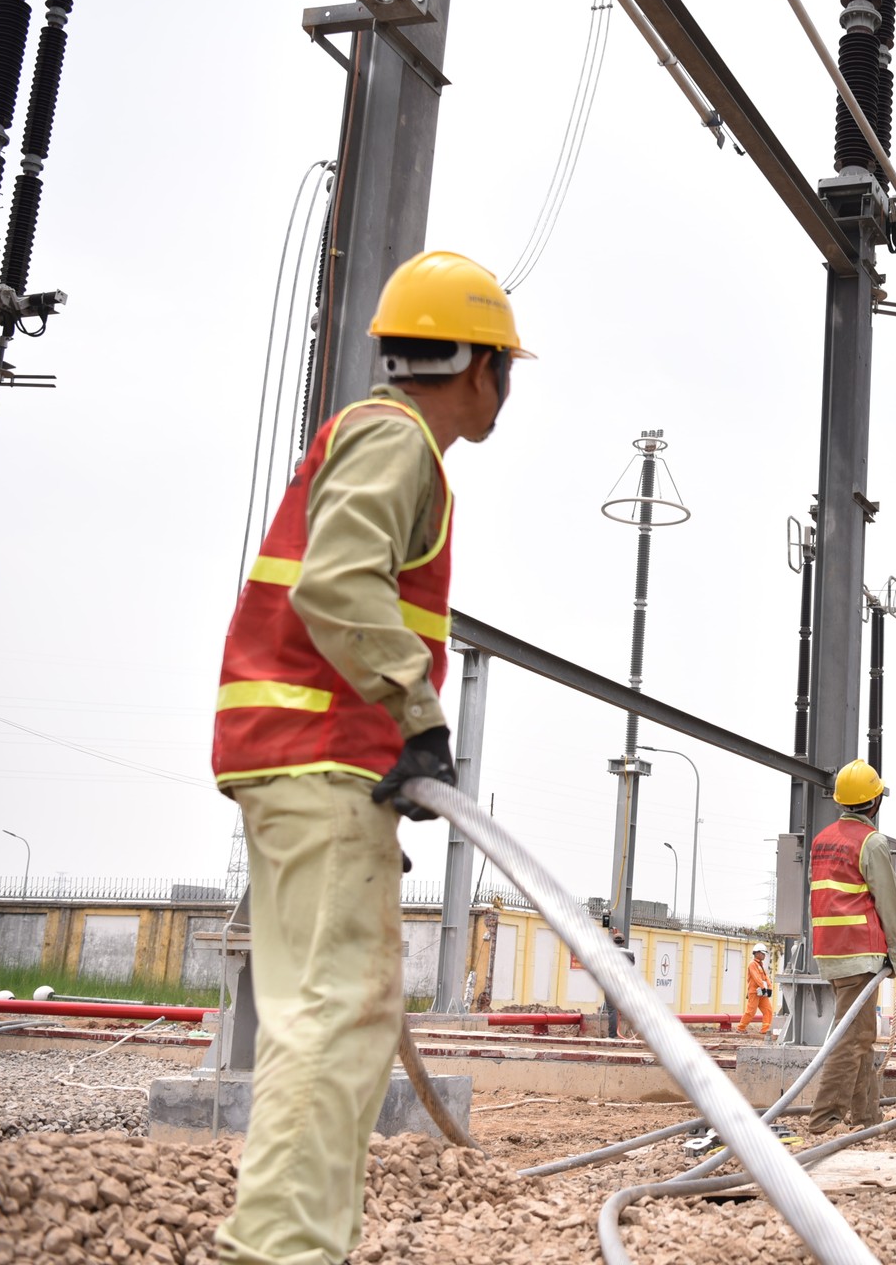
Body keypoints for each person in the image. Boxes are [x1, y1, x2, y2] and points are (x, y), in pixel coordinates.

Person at [211, 251, 531, 1265]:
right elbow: (336, 582)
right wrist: (417, 711)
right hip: (318, 754)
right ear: (476, 365)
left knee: (318, 1013)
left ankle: (289, 1240)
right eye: (503, 367)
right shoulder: (398, 443)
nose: (504, 389)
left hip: (297, 756)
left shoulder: (368, 436)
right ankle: (282, 1251)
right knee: (335, 1016)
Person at [805, 758, 896, 1134]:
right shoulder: (871, 842)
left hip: (830, 951)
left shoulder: (822, 841)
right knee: (850, 1038)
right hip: (859, 953)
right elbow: (891, 903)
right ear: (875, 802)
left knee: (859, 1033)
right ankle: (825, 1119)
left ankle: (867, 1118)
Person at [737, 945, 775, 1035]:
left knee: (768, 1010)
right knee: (751, 1012)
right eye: (762, 954)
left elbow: (766, 977)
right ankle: (741, 1028)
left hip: (762, 992)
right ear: (757, 953)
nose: (764, 956)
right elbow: (756, 977)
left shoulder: (760, 965)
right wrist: (763, 988)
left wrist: (769, 988)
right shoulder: (752, 964)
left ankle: (765, 1029)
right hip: (754, 992)